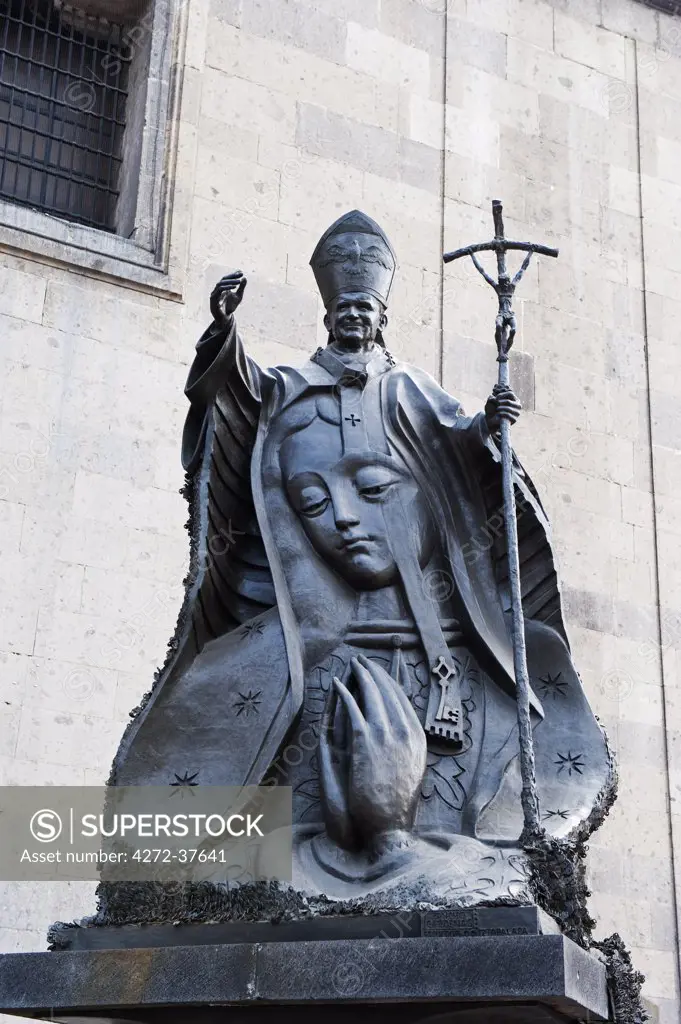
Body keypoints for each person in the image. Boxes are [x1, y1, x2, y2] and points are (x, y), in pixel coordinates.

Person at [112, 211, 613, 901]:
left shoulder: (411, 393)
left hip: (426, 655)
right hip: (321, 649)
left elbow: (461, 449)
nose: (353, 318)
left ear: (380, 316)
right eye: (342, 308)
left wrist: (489, 431)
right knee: (298, 807)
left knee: (442, 811)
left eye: (364, 308)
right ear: (327, 316)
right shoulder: (288, 394)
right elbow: (236, 401)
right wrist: (222, 337)